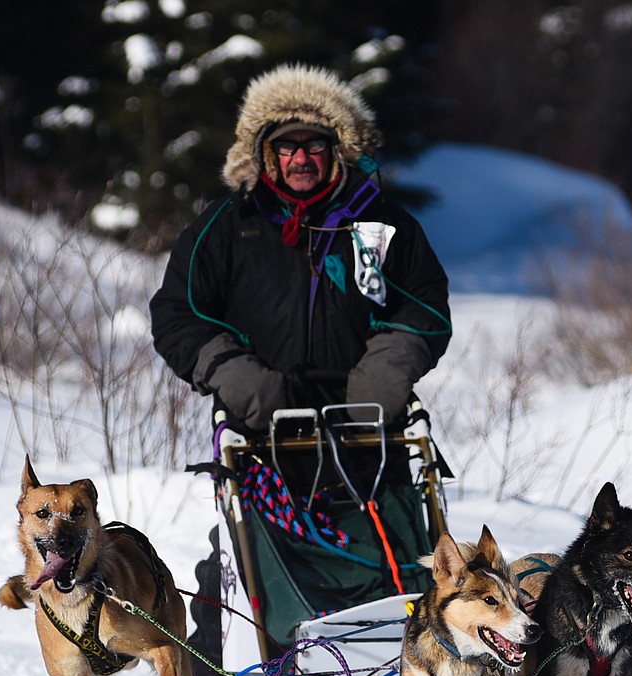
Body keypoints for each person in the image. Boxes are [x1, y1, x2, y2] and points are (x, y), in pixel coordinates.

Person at [149, 62, 452, 435]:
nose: (301, 158)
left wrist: (388, 367)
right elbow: (177, 311)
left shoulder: (383, 221)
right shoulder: (228, 224)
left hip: (368, 427)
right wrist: (235, 374)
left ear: (337, 148)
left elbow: (425, 302)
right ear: (267, 153)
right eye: (287, 146)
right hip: (260, 430)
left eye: (314, 144)